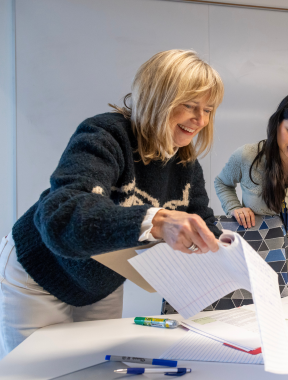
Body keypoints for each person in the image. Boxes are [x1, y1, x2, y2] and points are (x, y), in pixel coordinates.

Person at [0, 50, 224, 358]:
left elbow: (202, 219)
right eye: (190, 106)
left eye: (208, 110)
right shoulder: (105, 135)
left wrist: (225, 248)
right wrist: (156, 221)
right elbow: (63, 217)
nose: (200, 120)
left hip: (100, 282)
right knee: (38, 370)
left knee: (96, 369)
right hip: (40, 272)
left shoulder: (185, 161)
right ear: (160, 98)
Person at [214, 92, 288, 299]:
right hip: (261, 269)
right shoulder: (247, 156)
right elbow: (222, 183)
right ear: (277, 123)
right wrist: (234, 208)